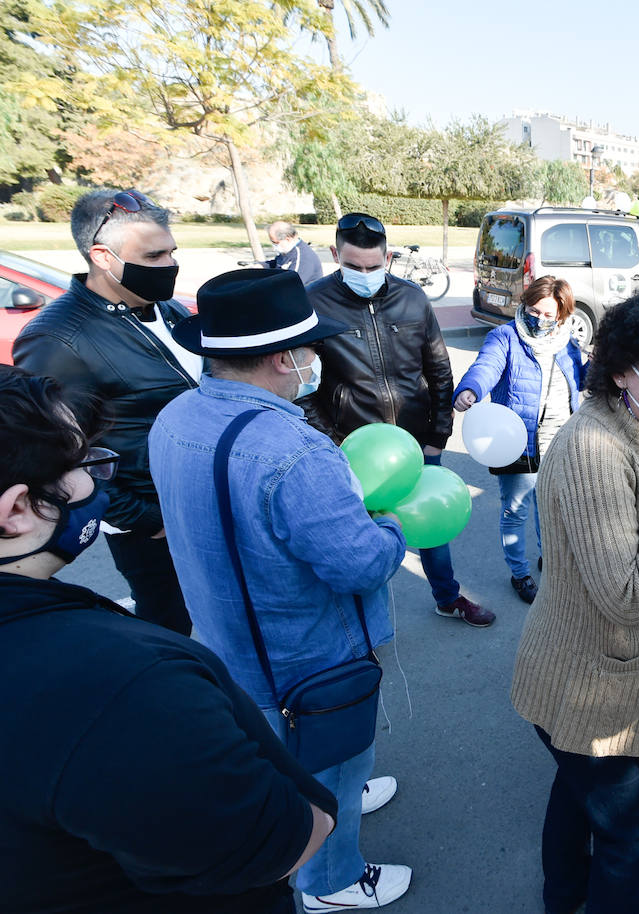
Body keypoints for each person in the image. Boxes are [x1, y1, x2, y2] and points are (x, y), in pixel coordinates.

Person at [0, 366, 337, 914]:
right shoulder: (113, 687)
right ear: (16, 511)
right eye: (86, 463)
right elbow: (288, 840)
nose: (97, 481)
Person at [149, 269, 412, 912]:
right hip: (305, 655)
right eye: (309, 349)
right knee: (328, 762)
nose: (315, 359)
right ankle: (332, 881)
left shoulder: (176, 414)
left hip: (222, 636)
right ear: (281, 358)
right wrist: (392, 527)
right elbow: (358, 565)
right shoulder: (292, 447)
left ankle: (338, 791)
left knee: (272, 749)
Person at [509, 291, 639, 914]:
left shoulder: (621, 425)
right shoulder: (594, 447)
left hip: (577, 669)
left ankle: (563, 898)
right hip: (588, 681)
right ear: (623, 370)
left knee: (577, 798)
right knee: (630, 826)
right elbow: (625, 596)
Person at [13, 189, 199, 635]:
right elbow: (57, 454)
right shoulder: (58, 339)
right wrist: (146, 520)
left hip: (202, 504)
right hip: (155, 529)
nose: (171, 265)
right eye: (154, 256)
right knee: (171, 632)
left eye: (172, 252)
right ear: (102, 256)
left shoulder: (168, 309)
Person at [302, 213, 487, 626]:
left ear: (388, 256)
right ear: (335, 254)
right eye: (353, 266)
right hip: (355, 450)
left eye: (374, 265)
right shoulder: (313, 303)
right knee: (357, 545)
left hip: (418, 441)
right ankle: (363, 627)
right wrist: (333, 443)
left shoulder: (412, 298)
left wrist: (439, 434)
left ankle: (448, 597)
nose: (365, 274)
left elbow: (438, 368)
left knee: (432, 526)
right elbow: (304, 388)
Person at [453, 276, 585, 605]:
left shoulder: (568, 343)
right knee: (516, 509)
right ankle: (520, 573)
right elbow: (486, 366)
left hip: (560, 438)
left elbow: (580, 380)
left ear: (562, 316)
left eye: (547, 315)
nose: (538, 319)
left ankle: (549, 558)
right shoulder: (505, 337)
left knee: (551, 507)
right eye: (533, 310)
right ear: (523, 304)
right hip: (516, 440)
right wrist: (470, 390)